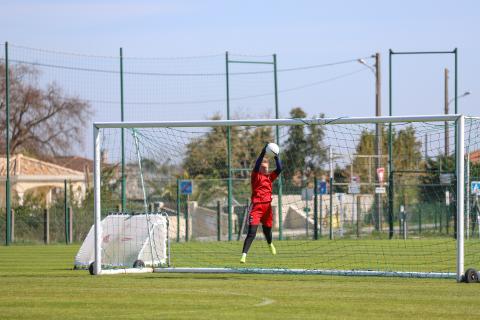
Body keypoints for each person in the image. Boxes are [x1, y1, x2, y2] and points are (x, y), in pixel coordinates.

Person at [240, 144, 282, 263]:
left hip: (267, 208)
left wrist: (276, 156)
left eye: (266, 167)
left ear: (268, 168)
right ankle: (244, 255)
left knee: (267, 231)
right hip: (257, 207)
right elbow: (257, 164)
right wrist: (263, 152)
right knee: (252, 232)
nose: (264, 169)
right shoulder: (255, 176)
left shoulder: (270, 178)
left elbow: (279, 169)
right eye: (262, 167)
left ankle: (270, 244)